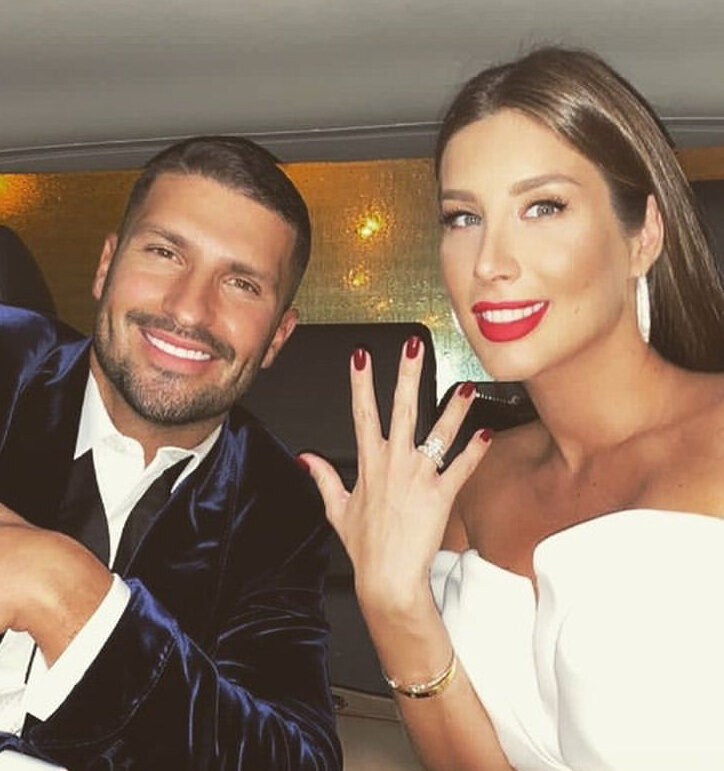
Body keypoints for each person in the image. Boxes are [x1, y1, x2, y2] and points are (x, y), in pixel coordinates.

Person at [303, 47, 724, 771]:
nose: (489, 261)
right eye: (463, 217)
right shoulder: (469, 482)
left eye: (543, 207)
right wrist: (392, 600)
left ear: (643, 235)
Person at [0, 136, 342, 769]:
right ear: (106, 266)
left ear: (277, 337)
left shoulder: (277, 503)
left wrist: (65, 592)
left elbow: (296, 759)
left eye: (241, 283)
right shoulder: (7, 359)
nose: (189, 309)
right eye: (164, 253)